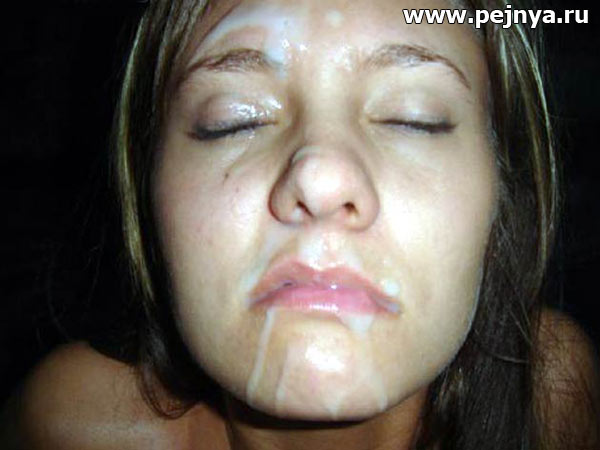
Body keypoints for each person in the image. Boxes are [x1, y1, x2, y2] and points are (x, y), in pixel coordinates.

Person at [2, 0, 599, 449]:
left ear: (501, 194)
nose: (320, 177)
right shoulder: (66, 428)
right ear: (147, 190)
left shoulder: (551, 395)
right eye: (235, 120)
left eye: (412, 117)